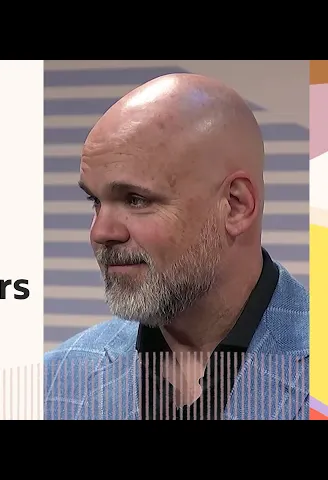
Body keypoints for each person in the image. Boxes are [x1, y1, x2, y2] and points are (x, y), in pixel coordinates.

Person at [43, 73, 309, 420]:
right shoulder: (56, 382)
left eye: (135, 199)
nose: (101, 232)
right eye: (95, 201)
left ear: (236, 206)